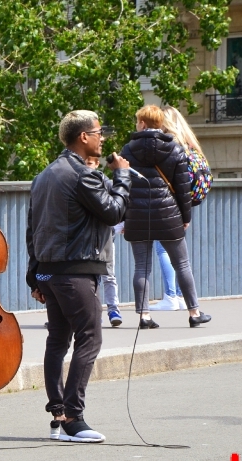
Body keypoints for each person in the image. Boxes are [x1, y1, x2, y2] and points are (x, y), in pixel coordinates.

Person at [27, 110, 132, 443]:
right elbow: (115, 210)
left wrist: (35, 277)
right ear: (83, 137)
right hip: (75, 271)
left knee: (58, 341)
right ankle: (73, 416)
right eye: (99, 132)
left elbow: (33, 230)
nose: (103, 138)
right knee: (90, 337)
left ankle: (58, 415)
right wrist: (123, 177)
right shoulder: (82, 175)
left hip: (51, 271)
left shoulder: (45, 175)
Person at [119, 105, 211, 329]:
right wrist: (185, 217)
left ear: (142, 123)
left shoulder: (127, 151)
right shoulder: (175, 150)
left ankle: (144, 317)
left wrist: (122, 217)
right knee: (182, 264)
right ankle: (194, 312)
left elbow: (121, 186)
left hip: (138, 215)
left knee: (141, 267)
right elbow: (182, 189)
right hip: (169, 215)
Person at [150, 105, 210, 312]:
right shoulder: (189, 143)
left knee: (162, 248)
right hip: (186, 203)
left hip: (168, 203)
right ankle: (182, 297)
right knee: (179, 253)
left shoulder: (168, 145)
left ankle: (171, 295)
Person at [85, 156, 123, 327]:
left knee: (109, 275)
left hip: (106, 238)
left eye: (91, 163)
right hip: (87, 240)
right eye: (86, 163)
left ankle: (113, 309)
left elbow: (119, 203)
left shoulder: (104, 181)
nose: (88, 167)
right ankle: (96, 312)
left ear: (96, 164)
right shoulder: (80, 183)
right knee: (91, 278)